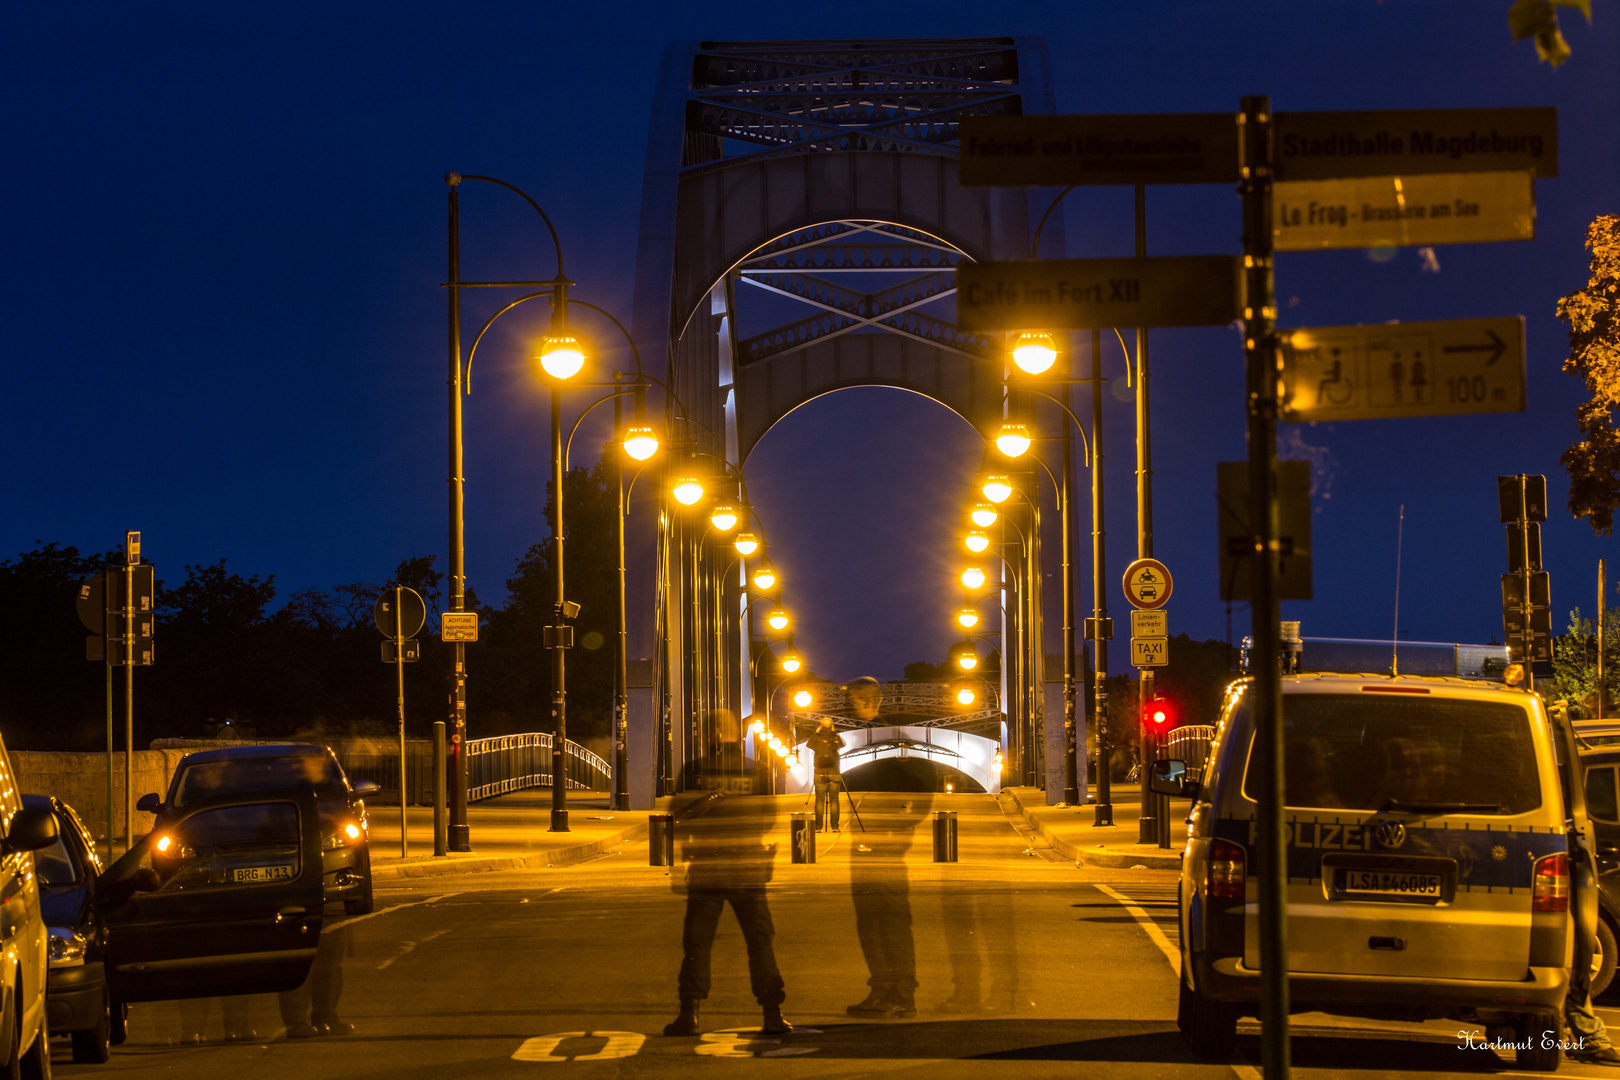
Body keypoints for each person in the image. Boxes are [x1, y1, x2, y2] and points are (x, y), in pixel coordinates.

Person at [663, 710, 791, 1038]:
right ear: (739, 735)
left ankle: (689, 1014)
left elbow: (676, 819)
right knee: (759, 941)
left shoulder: (693, 771)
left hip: (706, 867)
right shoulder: (759, 771)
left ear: (711, 734)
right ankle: (772, 1013)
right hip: (748, 867)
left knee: (698, 943)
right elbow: (771, 819)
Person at [806, 718, 844, 831]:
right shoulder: (835, 737)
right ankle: (835, 827)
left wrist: (817, 732)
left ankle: (818, 827)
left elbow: (809, 744)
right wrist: (833, 732)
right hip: (834, 772)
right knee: (834, 800)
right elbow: (842, 744)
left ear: (820, 726)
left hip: (819, 772)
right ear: (832, 726)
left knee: (819, 800)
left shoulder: (816, 737)